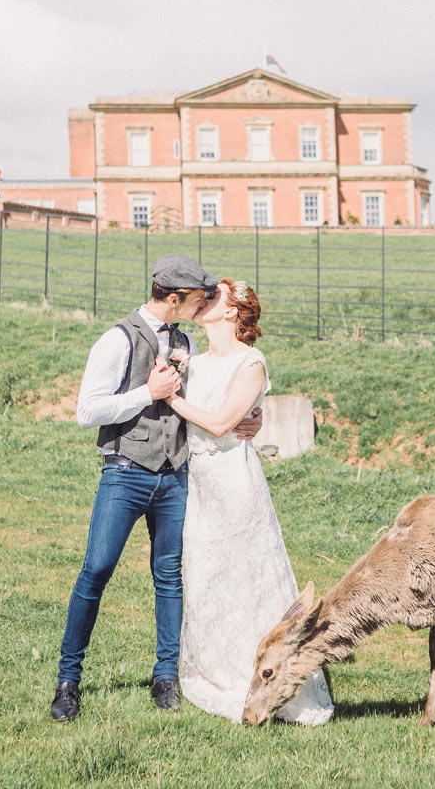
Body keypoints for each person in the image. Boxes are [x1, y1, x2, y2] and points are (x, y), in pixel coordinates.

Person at [50, 255, 262, 722]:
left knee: (169, 577)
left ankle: (166, 678)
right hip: (125, 471)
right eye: (196, 298)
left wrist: (251, 417)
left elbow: (221, 395)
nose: (203, 303)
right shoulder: (116, 339)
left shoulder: (186, 343)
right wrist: (147, 393)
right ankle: (68, 681)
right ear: (173, 298)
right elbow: (88, 412)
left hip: (176, 477)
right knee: (97, 569)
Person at [167, 278, 333, 725]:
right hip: (198, 484)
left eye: (213, 295)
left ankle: (264, 673)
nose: (203, 300)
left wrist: (173, 400)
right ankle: (212, 666)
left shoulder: (251, 363)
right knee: (205, 576)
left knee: (246, 576)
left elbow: (221, 424)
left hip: (235, 484)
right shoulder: (193, 362)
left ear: (232, 311)